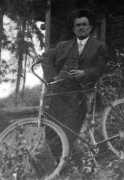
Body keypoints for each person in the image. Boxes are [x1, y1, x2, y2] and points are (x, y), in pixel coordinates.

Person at [41, 9, 109, 147]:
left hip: (81, 93)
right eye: (78, 25)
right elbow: (46, 58)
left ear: (90, 27)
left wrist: (85, 73)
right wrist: (52, 76)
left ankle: (66, 159)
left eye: (84, 24)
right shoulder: (63, 46)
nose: (81, 27)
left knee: (69, 129)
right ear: (73, 29)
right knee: (51, 128)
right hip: (59, 92)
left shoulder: (99, 47)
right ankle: (55, 162)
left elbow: (102, 68)